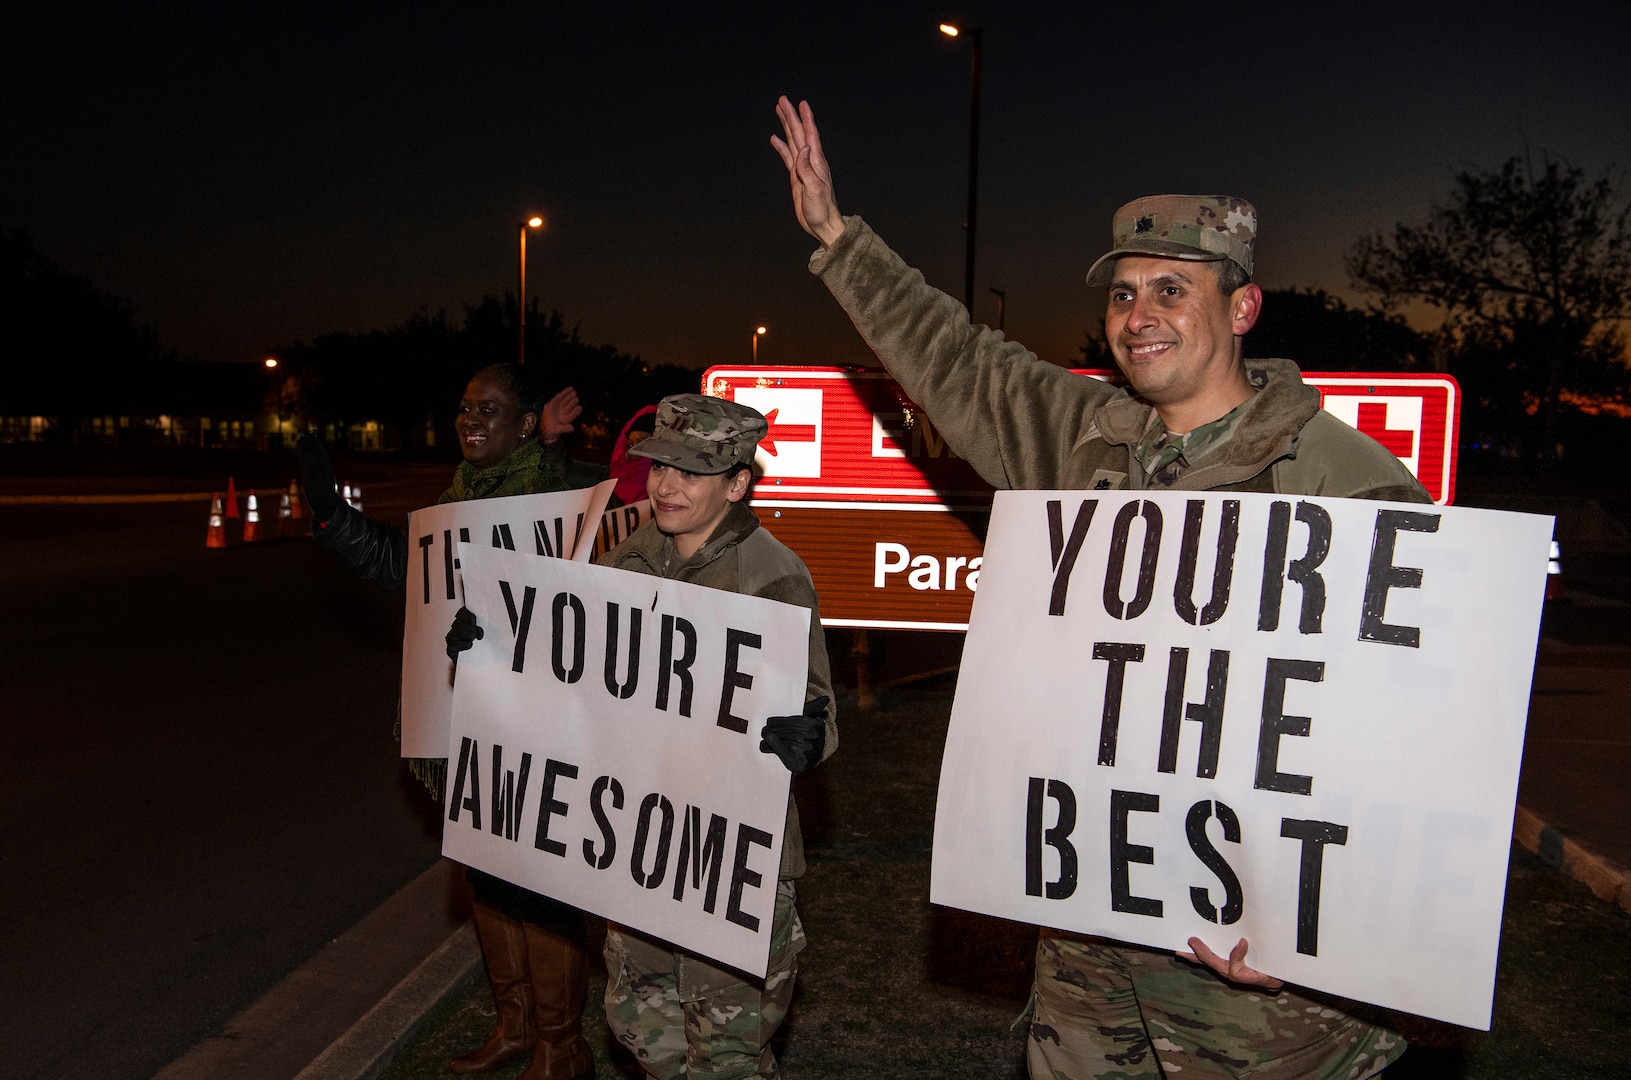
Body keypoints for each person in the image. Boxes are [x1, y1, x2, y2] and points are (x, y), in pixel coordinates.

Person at [771, 96, 1427, 1079]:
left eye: (1171, 289)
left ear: (1240, 308)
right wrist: (836, 237)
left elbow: (1416, 744)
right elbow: (956, 358)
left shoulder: (1341, 480)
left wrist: (1319, 934)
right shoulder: (1084, 441)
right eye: (1122, 294)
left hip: (1255, 977)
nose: (1139, 315)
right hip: (1094, 938)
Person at [297, 363, 603, 1080]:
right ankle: (517, 1026)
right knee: (488, 879)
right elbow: (403, 564)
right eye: (465, 407)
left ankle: (563, 1049)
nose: (471, 419)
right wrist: (330, 518)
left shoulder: (556, 491)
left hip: (539, 731)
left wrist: (556, 450)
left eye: (490, 409)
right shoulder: (459, 496)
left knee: (542, 886)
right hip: (471, 723)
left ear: (525, 425)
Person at [599, 393, 837, 1079]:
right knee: (642, 1026)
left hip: (731, 852)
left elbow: (817, 713)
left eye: (691, 472)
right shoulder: (626, 562)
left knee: (726, 1048)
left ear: (736, 484)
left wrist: (802, 737)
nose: (667, 486)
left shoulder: (770, 576)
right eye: (658, 468)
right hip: (642, 839)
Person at [608, 403, 658, 506]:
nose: (633, 450)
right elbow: (568, 470)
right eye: (629, 444)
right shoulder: (608, 480)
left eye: (641, 442)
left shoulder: (665, 492)